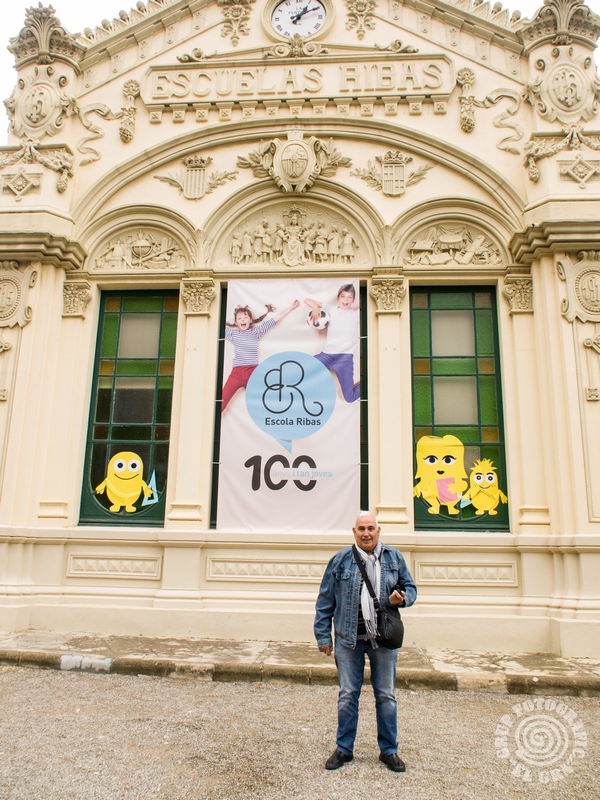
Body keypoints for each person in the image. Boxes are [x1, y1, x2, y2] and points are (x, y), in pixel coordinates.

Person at [314, 511, 417, 772]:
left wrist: (401, 598)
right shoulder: (340, 560)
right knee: (348, 695)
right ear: (354, 532)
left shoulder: (394, 557)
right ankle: (344, 749)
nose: (366, 533)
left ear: (378, 531)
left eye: (371, 528)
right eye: (361, 529)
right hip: (348, 640)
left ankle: (389, 751)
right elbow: (325, 600)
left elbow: (411, 589)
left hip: (382, 640)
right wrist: (323, 636)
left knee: (386, 696)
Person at [222, 300, 300, 412]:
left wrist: (290, 308)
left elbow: (274, 320)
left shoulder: (256, 332)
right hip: (236, 373)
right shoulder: (232, 334)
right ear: (235, 322)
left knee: (269, 400)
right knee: (221, 402)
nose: (242, 320)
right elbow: (216, 325)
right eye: (239, 318)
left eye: (245, 317)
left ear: (250, 320)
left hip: (253, 372)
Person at [305, 283, 360, 403]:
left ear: (353, 300)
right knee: (305, 370)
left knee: (349, 398)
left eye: (349, 297)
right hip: (328, 355)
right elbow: (307, 300)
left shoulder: (355, 314)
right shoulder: (331, 309)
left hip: (344, 358)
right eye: (343, 296)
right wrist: (315, 307)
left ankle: (370, 382)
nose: (346, 299)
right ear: (338, 298)